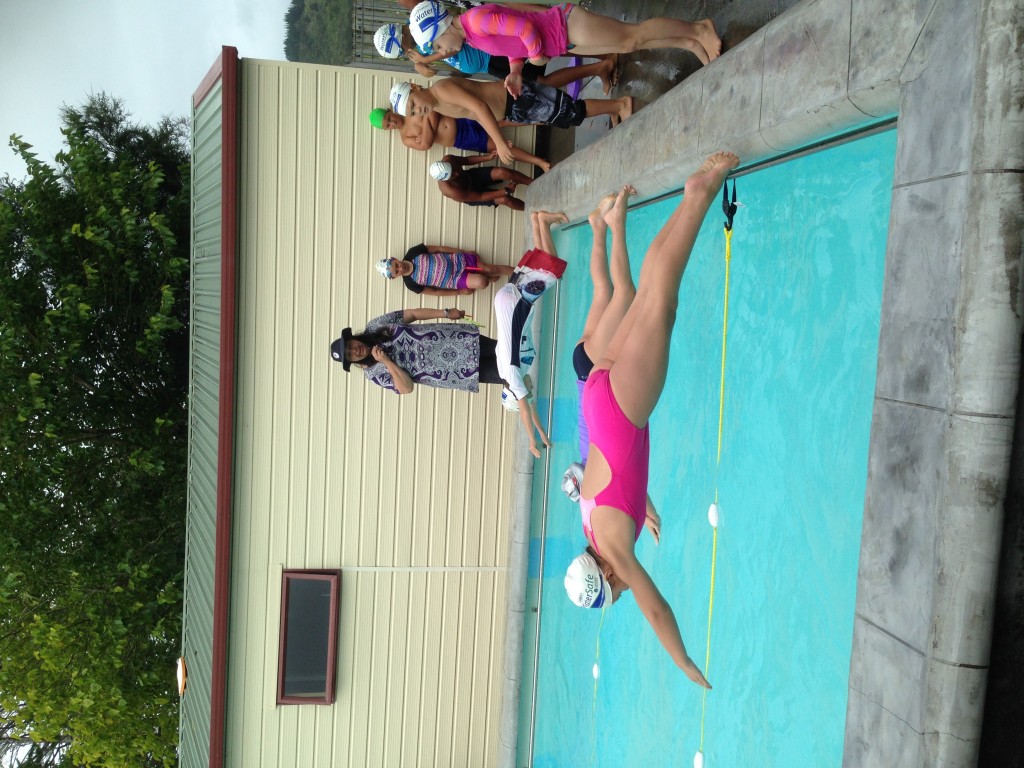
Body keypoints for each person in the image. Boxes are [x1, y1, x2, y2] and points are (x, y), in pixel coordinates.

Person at [562, 151, 740, 690]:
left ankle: (698, 194)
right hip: (598, 398)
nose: (620, 591)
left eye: (613, 591)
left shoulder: (617, 552)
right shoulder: (591, 527)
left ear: (605, 573)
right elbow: (609, 478)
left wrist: (683, 661)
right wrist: (646, 506)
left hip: (623, 410)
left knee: (661, 300)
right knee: (645, 302)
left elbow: (656, 608)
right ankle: (691, 197)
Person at [408, 1, 721, 98]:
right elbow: (512, 45)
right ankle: (690, 42)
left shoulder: (476, 20)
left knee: (632, 37)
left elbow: (524, 28)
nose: (443, 52)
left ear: (443, 27)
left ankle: (699, 30)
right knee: (629, 44)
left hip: (567, 25)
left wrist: (534, 54)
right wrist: (516, 70)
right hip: (564, 40)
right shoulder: (472, 38)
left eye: (438, 45)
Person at [389, 77, 631, 165]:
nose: (418, 111)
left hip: (515, 99)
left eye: (414, 104)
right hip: (511, 108)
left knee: (570, 112)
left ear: (415, 86)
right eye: (413, 112)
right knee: (563, 115)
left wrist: (499, 142)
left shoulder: (441, 91)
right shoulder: (437, 103)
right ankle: (613, 108)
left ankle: (620, 104)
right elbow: (475, 114)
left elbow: (480, 107)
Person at [493, 210, 568, 458]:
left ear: (517, 394)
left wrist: (531, 440)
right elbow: (531, 406)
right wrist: (542, 432)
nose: (532, 389)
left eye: (527, 393)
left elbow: (525, 408)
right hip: (506, 300)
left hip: (515, 306)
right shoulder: (508, 374)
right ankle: (538, 221)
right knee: (541, 267)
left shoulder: (513, 376)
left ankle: (543, 222)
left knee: (552, 272)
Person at [373, 21, 618, 94]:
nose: (405, 53)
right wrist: (422, 63)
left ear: (400, 40)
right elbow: (433, 70)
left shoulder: (421, 33)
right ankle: (600, 66)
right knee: (542, 79)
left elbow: (453, 47)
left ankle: (603, 55)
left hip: (490, 52)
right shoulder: (417, 47)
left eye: (401, 50)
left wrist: (424, 61)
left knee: (551, 50)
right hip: (489, 63)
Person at [330, 307, 503, 394]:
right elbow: (406, 388)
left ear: (353, 338)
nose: (355, 351)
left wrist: (445, 312)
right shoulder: (374, 373)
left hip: (460, 340)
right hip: (459, 372)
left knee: (507, 350)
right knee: (506, 374)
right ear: (352, 362)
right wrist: (386, 362)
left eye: (350, 346)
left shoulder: (375, 326)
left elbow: (411, 314)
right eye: (350, 355)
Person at [368, 107, 552, 173]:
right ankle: (540, 162)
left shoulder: (409, 109)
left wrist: (426, 131)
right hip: (461, 138)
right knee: (498, 147)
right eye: (388, 125)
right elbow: (426, 145)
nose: (392, 123)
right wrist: (428, 123)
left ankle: (542, 119)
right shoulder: (405, 138)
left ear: (390, 111)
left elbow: (433, 111)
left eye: (389, 118)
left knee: (500, 120)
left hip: (460, 117)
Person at [376, 243, 514, 295]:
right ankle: (486, 276)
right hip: (455, 279)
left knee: (490, 268)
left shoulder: (413, 252)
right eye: (396, 272)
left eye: (396, 265)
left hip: (458, 261)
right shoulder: (410, 284)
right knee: (482, 282)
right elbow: (435, 291)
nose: (400, 268)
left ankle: (519, 271)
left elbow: (438, 249)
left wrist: (463, 251)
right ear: (395, 277)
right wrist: (459, 292)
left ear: (394, 258)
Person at [429, 152, 532, 211]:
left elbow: (467, 160)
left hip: (471, 177)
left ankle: (534, 183)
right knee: (504, 199)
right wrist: (505, 191)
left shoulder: (449, 158)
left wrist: (487, 157)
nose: (456, 173)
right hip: (472, 194)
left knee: (502, 172)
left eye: (453, 169)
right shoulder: (451, 191)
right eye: (452, 176)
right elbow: (480, 196)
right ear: (444, 180)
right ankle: (532, 209)